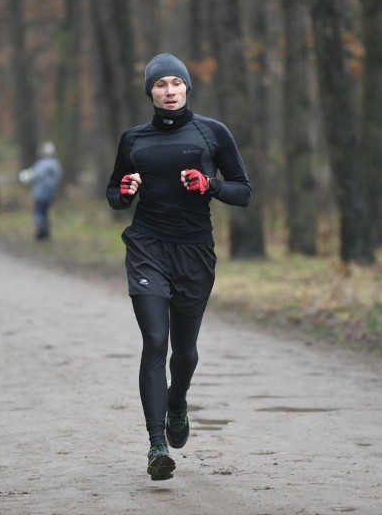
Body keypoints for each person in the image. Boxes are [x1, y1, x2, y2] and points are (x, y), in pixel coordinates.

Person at [106, 53, 251, 480]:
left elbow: (244, 191)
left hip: (194, 252)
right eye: (160, 85)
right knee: (155, 340)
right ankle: (156, 446)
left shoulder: (212, 133)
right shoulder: (133, 140)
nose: (169, 91)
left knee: (183, 351)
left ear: (187, 87)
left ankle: (177, 401)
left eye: (176, 83)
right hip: (148, 247)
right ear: (149, 92)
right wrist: (126, 190)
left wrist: (211, 185)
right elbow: (113, 192)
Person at [19, 141, 62, 240]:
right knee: (45, 212)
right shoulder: (56, 165)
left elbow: (32, 175)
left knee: (39, 212)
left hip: (40, 193)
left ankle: (42, 231)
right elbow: (58, 178)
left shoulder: (41, 164)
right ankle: (46, 231)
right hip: (51, 194)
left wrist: (24, 177)